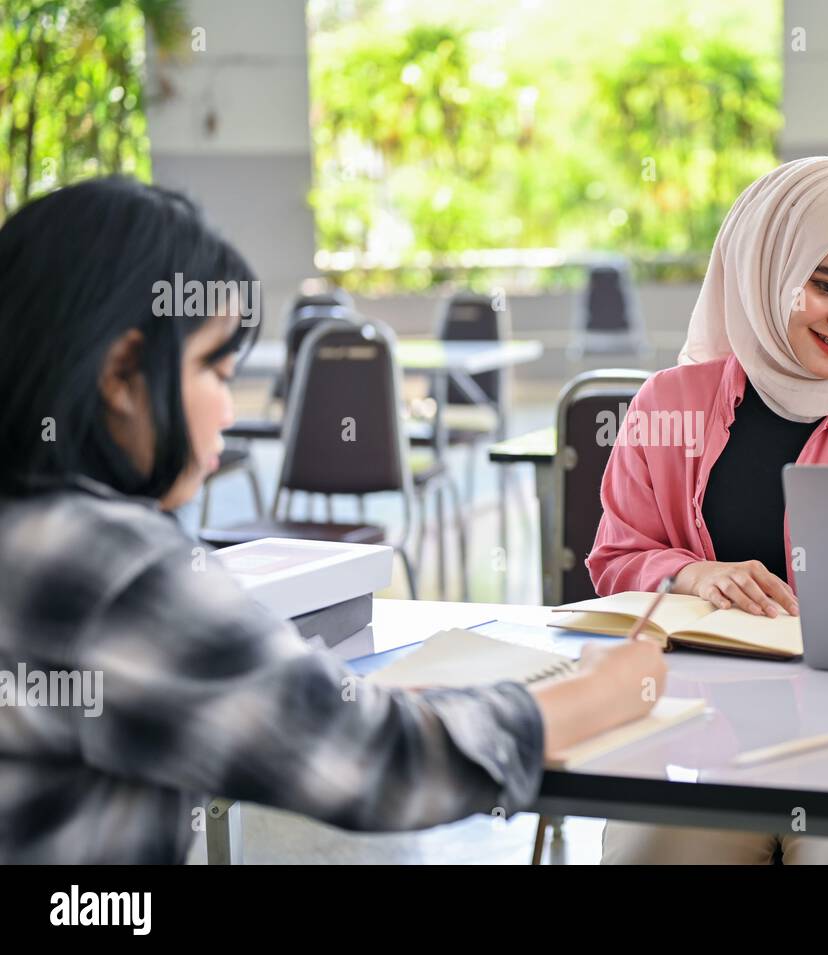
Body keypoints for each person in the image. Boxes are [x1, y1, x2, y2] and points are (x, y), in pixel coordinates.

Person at [0, 177, 665, 864]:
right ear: (120, 373)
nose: (229, 412)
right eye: (215, 372)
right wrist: (599, 692)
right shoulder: (107, 567)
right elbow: (380, 765)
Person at [588, 156, 828, 864]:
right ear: (768, 267)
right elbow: (615, 556)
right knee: (657, 847)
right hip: (700, 736)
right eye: (826, 285)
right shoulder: (668, 405)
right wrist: (689, 574)